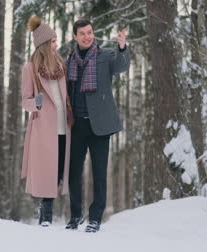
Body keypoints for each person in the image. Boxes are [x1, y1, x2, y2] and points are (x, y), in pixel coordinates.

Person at [65, 19, 130, 232]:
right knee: (74, 172)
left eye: (90, 32)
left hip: (99, 124)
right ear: (75, 36)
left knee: (99, 172)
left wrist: (122, 46)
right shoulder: (70, 60)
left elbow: (122, 65)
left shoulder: (106, 55)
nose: (87, 36)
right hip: (76, 125)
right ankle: (76, 215)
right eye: (82, 33)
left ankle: (95, 218)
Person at [21, 16, 72, 227]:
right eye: (53, 41)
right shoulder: (30, 68)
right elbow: (25, 100)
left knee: (60, 172)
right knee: (48, 174)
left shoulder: (61, 65)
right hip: (43, 129)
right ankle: (46, 216)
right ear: (43, 44)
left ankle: (50, 212)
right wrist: (37, 103)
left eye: (56, 40)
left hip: (64, 127)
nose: (56, 44)